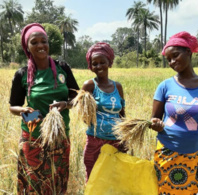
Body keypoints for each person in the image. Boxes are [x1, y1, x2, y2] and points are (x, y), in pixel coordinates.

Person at [9, 23, 79, 194]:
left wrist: (66, 104)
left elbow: (76, 96)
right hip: (32, 133)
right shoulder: (22, 74)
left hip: (59, 134)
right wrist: (23, 111)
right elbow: (13, 107)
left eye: (44, 41)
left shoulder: (62, 67)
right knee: (34, 182)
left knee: (57, 180)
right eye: (34, 42)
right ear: (27, 47)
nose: (40, 45)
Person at [150, 31, 198, 195]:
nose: (172, 62)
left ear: (188, 51)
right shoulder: (165, 86)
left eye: (175, 55)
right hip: (168, 154)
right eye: (168, 59)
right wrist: (156, 125)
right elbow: (154, 119)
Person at [82, 42, 127, 181]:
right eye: (94, 63)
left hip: (116, 140)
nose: (99, 66)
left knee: (114, 178)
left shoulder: (117, 87)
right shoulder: (89, 85)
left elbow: (122, 114)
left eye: (102, 62)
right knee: (94, 179)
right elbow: (84, 116)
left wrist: (125, 137)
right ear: (91, 67)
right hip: (95, 140)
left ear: (109, 62)